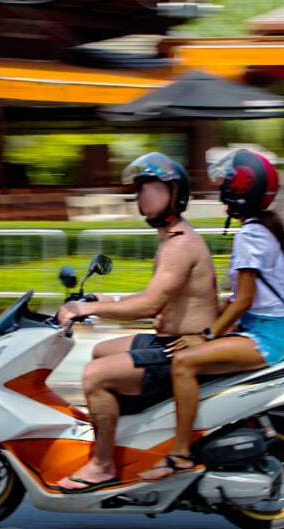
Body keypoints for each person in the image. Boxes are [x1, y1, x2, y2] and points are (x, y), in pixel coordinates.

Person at [55, 152, 217, 493]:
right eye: (139, 188)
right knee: (101, 351)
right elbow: (156, 295)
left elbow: (151, 303)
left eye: (150, 188)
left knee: (94, 377)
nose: (141, 196)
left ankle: (102, 466)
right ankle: (128, 440)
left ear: (174, 192)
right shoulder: (172, 238)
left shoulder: (179, 245)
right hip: (170, 341)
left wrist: (87, 310)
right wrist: (103, 300)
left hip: (180, 349)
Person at [140, 149, 284, 481]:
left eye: (228, 180)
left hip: (264, 337)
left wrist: (206, 335)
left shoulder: (250, 234)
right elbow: (238, 300)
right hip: (258, 329)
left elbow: (243, 301)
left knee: (184, 363)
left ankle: (180, 454)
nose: (222, 185)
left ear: (242, 187)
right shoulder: (260, 227)